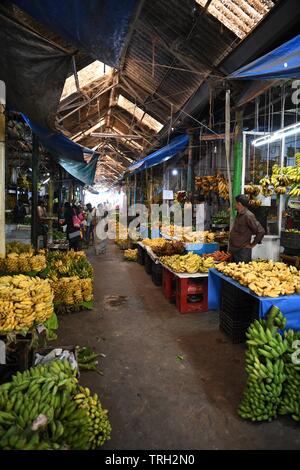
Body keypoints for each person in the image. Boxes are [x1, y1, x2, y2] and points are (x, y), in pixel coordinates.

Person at [229, 194, 265, 263]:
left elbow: (261, 231)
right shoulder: (239, 214)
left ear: (239, 204)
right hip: (234, 250)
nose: (234, 205)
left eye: (235, 203)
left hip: (242, 253)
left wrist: (252, 244)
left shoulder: (248, 216)